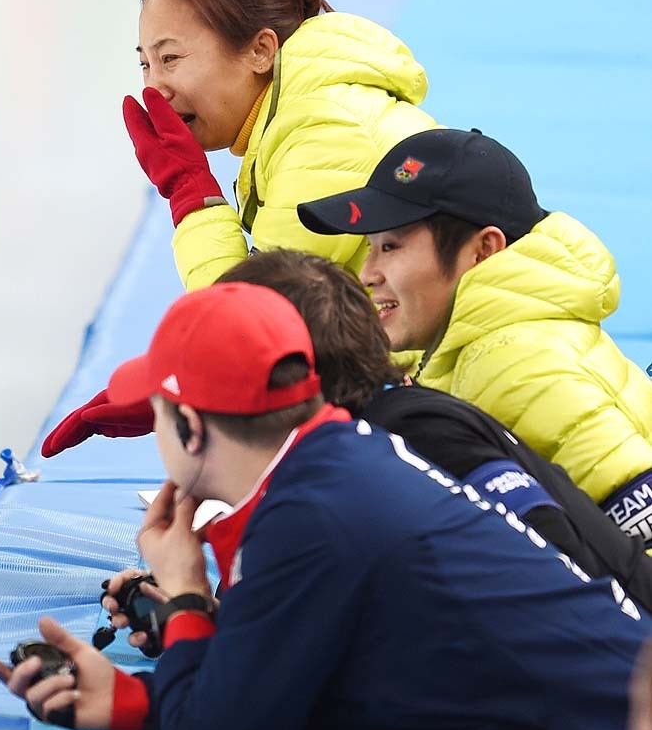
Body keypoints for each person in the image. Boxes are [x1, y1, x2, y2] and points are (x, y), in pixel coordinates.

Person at [0, 282, 652, 730]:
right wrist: (137, 700)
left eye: (159, 417)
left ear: (190, 428)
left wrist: (187, 593)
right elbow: (282, 691)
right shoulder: (335, 460)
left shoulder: (310, 516)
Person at [41, 0, 437, 459]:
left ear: (260, 51)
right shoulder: (297, 120)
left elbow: (258, 335)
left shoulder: (328, 131)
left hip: (467, 394)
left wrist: (191, 195)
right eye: (145, 65)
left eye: (171, 58)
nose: (154, 89)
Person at [216, 248, 652, 610]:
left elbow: (575, 585)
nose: (369, 271)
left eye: (391, 244)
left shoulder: (425, 427)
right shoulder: (390, 423)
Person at [297, 127, 652, 540]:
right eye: (370, 247)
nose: (367, 274)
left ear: (484, 251)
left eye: (391, 247)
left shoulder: (514, 362)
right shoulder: (477, 349)